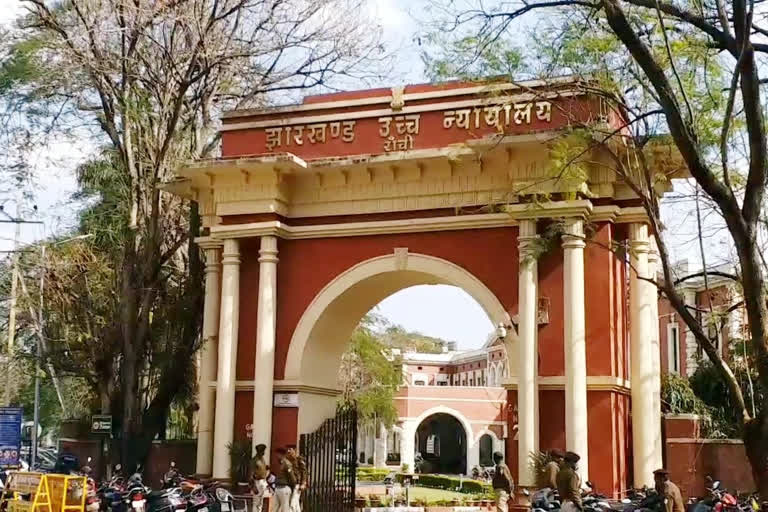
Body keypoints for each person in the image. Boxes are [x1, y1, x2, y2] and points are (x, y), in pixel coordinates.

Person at [273, 447, 296, 512]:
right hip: (278, 487)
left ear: (281, 454)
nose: (276, 456)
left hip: (284, 488)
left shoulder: (287, 463)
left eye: (277, 454)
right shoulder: (281, 463)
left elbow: (292, 477)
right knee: (275, 507)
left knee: (285, 508)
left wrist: (293, 486)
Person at [286, 445, 307, 512]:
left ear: (294, 451)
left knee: (292, 503)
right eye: (288, 450)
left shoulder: (299, 459)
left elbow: (304, 472)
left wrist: (303, 483)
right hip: (289, 484)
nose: (288, 451)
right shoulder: (287, 460)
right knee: (295, 503)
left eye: (290, 449)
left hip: (297, 484)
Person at [250, 444, 269, 512]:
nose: (264, 452)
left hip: (263, 482)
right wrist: (253, 486)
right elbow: (250, 474)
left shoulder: (262, 459)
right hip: (257, 482)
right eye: (263, 451)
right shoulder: (254, 460)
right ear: (259, 451)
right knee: (256, 502)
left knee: (261, 503)